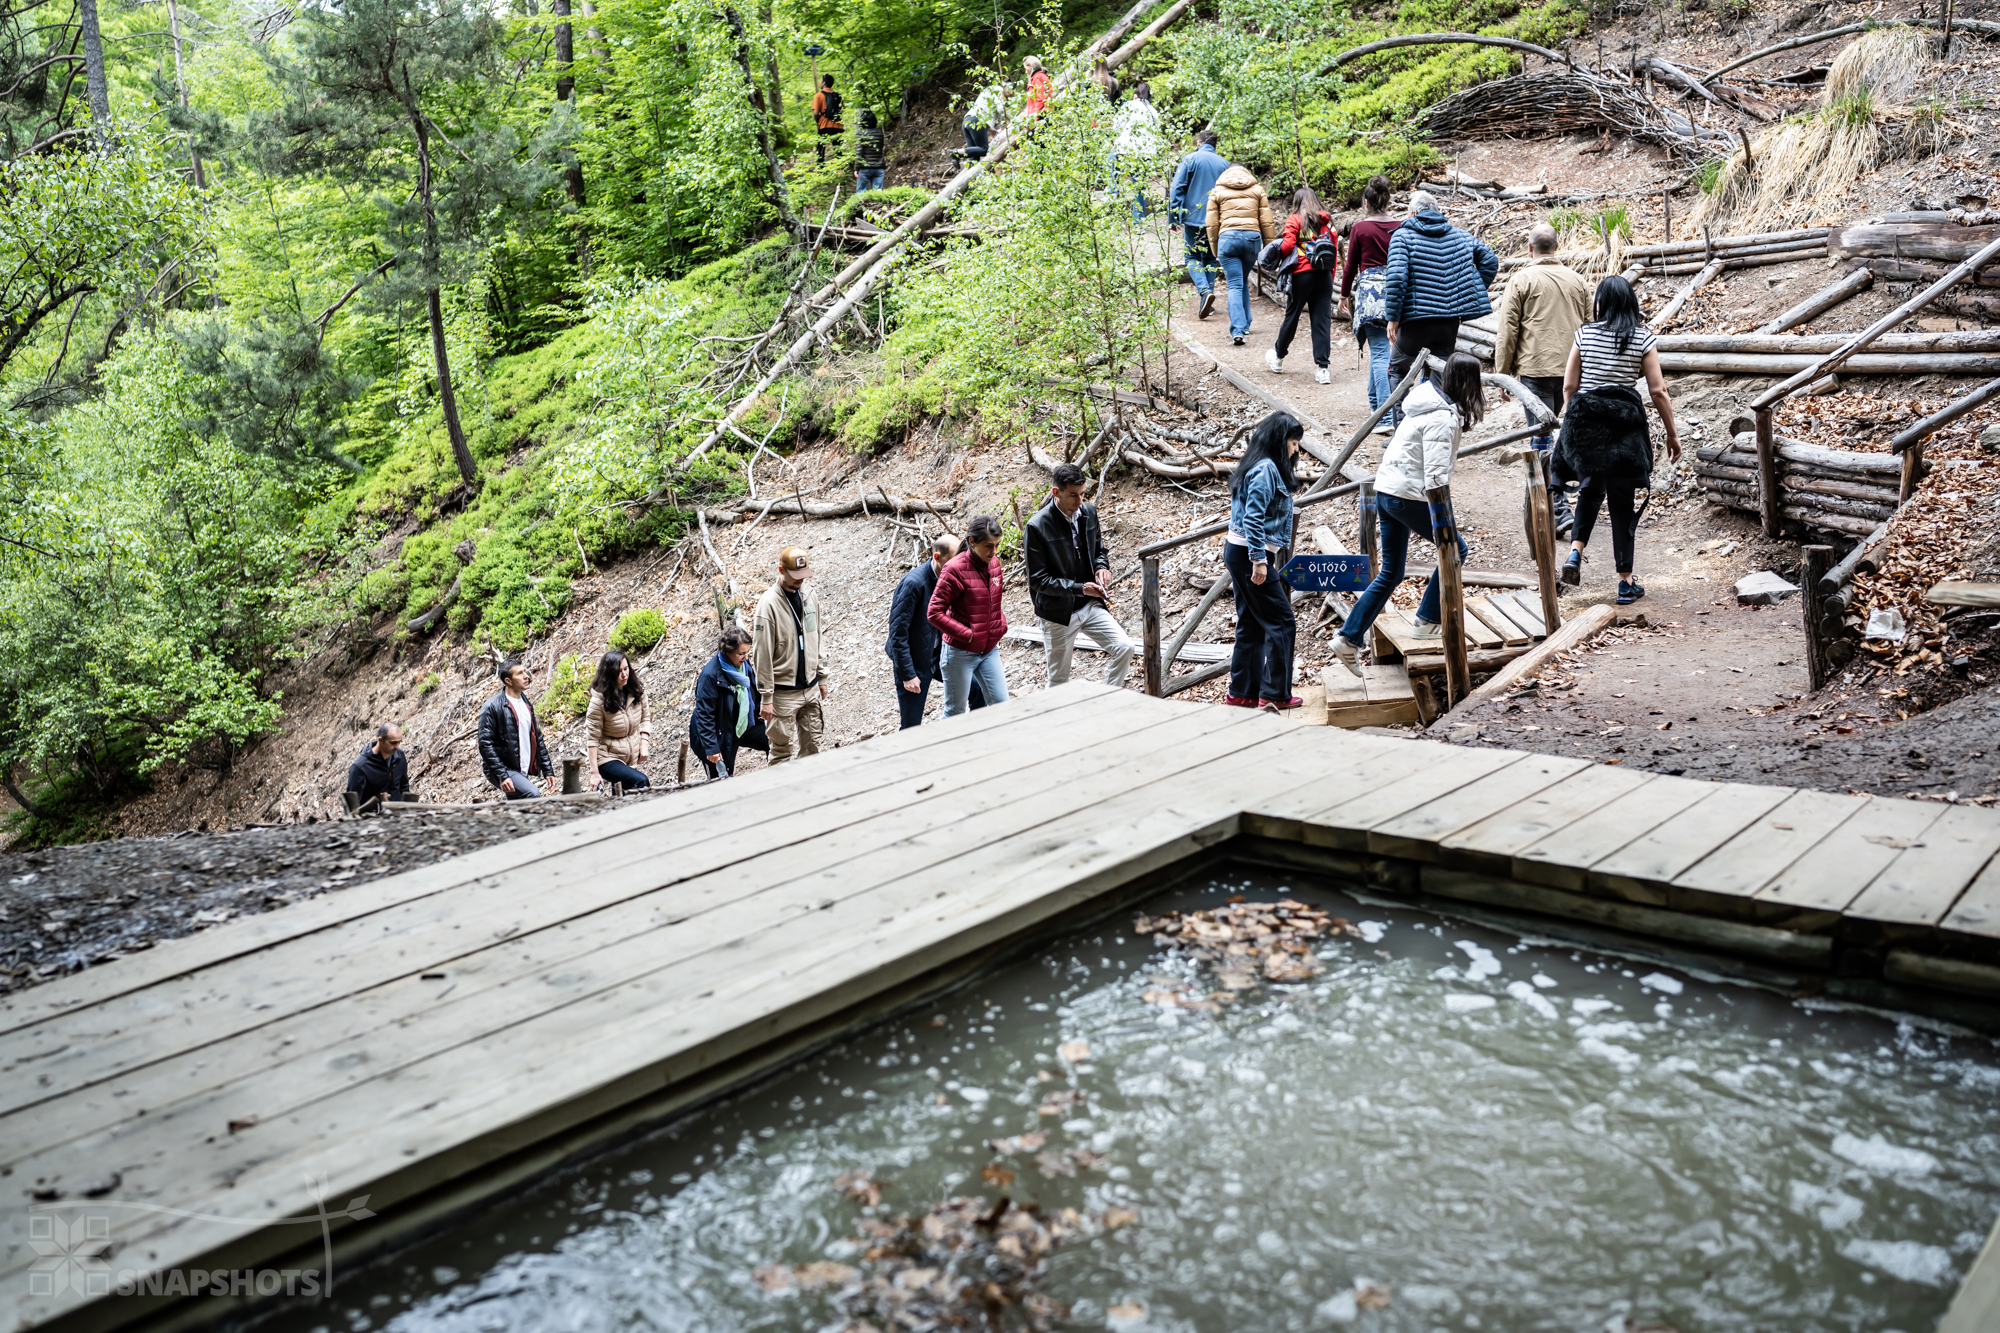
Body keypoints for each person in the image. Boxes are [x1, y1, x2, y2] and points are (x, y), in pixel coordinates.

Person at [1333, 353, 1486, 672]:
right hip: (1406, 496)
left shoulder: (1422, 405)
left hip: (1387, 492)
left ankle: (1348, 638)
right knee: (1456, 549)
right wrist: (1445, 519)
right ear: (1468, 383)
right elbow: (1436, 476)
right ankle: (1427, 620)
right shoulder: (1443, 417)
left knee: (1391, 572)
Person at [1554, 275, 1683, 606]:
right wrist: (1671, 433)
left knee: (1590, 489)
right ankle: (1625, 583)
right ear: (1631, 303)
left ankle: (1574, 553)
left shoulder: (1584, 334)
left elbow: (1569, 386)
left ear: (1601, 303)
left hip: (1588, 427)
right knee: (1622, 503)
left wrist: (1573, 420)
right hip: (1624, 429)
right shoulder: (1643, 338)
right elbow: (1658, 390)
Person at [1494, 222, 1591, 537]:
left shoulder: (1521, 280)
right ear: (1557, 247)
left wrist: (1503, 373)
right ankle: (1556, 500)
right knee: (1562, 437)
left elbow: (1508, 329)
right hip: (1571, 371)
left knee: (1541, 438)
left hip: (1534, 370)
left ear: (1530, 248)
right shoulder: (1578, 280)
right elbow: (1591, 327)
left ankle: (1554, 508)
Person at [1026, 462, 1134, 688]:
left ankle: (1106, 700)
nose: (1080, 501)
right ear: (1056, 492)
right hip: (1056, 613)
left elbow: (1099, 550)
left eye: (1083, 493)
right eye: (1074, 495)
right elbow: (1038, 580)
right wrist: (1080, 588)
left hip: (1090, 605)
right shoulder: (1036, 526)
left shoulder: (1089, 512)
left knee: (1125, 647)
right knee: (1059, 681)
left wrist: (1102, 567)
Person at [1382, 190, 1499, 395]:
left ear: (1413, 213)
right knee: (1441, 374)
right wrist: (1468, 291)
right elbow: (1490, 261)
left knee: (1398, 371)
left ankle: (1401, 416)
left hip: (1415, 322)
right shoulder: (1461, 236)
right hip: (1448, 322)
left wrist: (1393, 318)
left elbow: (1398, 278)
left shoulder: (1402, 236)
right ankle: (1439, 415)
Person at [1224, 412, 1303, 711]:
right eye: (1293, 442)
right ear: (1279, 440)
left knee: (1252, 623)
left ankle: (1243, 693)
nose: (1296, 449)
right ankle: (1274, 693)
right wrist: (1259, 560)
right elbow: (1253, 517)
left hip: (1240, 551)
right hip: (1250, 554)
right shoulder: (1265, 469)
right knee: (1283, 622)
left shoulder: (1257, 464)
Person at [1337, 174, 1401, 433]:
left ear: (1366, 202)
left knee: (1380, 353)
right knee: (1383, 352)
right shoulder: (1400, 226)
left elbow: (1350, 266)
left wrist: (1344, 295)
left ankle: (1384, 418)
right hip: (1396, 293)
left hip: (1371, 296)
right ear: (1387, 200)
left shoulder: (1360, 228)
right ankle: (1376, 407)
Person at [927, 514, 1009, 716]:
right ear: (972, 541)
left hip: (988, 649)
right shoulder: (953, 569)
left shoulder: (994, 563)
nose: (994, 552)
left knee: (1002, 704)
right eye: (988, 546)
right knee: (955, 711)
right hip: (959, 653)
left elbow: (993, 602)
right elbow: (934, 612)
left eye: (997, 545)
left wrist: (1000, 624)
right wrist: (966, 634)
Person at [751, 546, 827, 763]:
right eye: (795, 575)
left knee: (813, 747)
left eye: (803, 575)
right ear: (781, 570)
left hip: (811, 688)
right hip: (782, 695)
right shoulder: (768, 604)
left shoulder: (809, 594)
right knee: (781, 752)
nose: (800, 580)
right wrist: (766, 697)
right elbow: (762, 655)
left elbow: (817, 636)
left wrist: (822, 676)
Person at [886, 534, 958, 728]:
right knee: (911, 726)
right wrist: (908, 674)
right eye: (952, 562)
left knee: (977, 688)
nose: (957, 567)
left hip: (940, 656)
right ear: (937, 557)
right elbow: (897, 634)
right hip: (914, 662)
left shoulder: (950, 578)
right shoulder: (913, 583)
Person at [1267, 185, 1337, 385]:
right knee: (1322, 321)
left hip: (1302, 275)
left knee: (1292, 316)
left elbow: (1288, 245)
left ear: (1297, 202)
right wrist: (1330, 277)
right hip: (1324, 276)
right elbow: (1333, 252)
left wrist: (1278, 251)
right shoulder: (1327, 222)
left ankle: (1278, 358)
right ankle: (1323, 370)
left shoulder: (1295, 219)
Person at [1206, 162, 1278, 347]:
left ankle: (1238, 330)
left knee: (1235, 284)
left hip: (1228, 240)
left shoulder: (1217, 191)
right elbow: (1267, 222)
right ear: (1246, 173)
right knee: (1242, 280)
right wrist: (1269, 248)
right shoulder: (1257, 190)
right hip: (1252, 240)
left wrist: (1215, 249)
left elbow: (1212, 224)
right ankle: (1246, 323)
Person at [690, 626, 770, 778]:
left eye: (747, 652)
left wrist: (759, 709)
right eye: (741, 654)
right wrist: (711, 747)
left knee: (773, 739)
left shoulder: (742, 665)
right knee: (723, 777)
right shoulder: (710, 676)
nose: (745, 657)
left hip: (743, 723)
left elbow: (752, 691)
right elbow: (704, 715)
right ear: (727, 652)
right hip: (719, 732)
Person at [1168, 130, 1229, 320]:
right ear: (1215, 146)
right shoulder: (1225, 164)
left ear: (1198, 143)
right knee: (1210, 259)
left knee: (1192, 257)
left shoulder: (1190, 159)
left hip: (1194, 218)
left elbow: (1177, 188)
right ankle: (1207, 302)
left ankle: (1204, 292)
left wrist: (1173, 217)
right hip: (1216, 220)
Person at [477, 659, 553, 800]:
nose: (526, 676)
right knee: (532, 793)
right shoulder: (492, 707)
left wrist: (547, 769)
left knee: (518, 806)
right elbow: (485, 744)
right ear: (508, 681)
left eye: (524, 671)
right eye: (520, 673)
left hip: (519, 767)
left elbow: (536, 736)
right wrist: (502, 775)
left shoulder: (525, 703)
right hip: (502, 768)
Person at [583, 649, 651, 791]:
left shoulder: (636, 690)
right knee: (641, 782)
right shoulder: (599, 701)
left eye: (626, 669)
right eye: (618, 672)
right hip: (606, 757)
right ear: (609, 674)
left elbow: (645, 718)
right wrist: (594, 773)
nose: (624, 674)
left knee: (624, 795)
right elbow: (592, 739)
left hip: (628, 757)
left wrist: (644, 742)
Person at [1110, 82, 1161, 218]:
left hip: (1126, 149)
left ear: (1135, 95)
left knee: (1111, 158)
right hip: (1145, 152)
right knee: (1139, 186)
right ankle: (1138, 219)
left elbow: (1116, 125)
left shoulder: (1129, 105)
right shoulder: (1153, 111)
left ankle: (1113, 189)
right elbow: (1157, 133)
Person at [345, 723, 410, 810]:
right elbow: (352, 805)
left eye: (399, 742)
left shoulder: (400, 756)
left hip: (399, 814)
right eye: (393, 743)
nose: (397, 747)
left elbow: (404, 786)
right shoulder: (360, 767)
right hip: (374, 817)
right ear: (380, 740)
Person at [962, 81, 1006, 160]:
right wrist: (1013, 119)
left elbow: (988, 109)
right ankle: (955, 152)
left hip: (967, 119)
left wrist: (992, 129)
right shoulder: (999, 89)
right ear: (1007, 87)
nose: (1010, 95)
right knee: (984, 149)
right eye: (1011, 92)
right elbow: (1001, 109)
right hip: (977, 120)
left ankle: (959, 158)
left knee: (974, 156)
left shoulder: (989, 90)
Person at [812, 74, 844, 163]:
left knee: (820, 150)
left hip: (824, 125)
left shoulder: (818, 95)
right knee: (838, 150)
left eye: (821, 80)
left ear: (824, 83)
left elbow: (816, 113)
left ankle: (821, 168)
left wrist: (817, 120)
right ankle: (841, 168)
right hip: (838, 126)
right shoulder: (838, 96)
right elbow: (842, 111)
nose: (820, 82)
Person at [854, 108, 886, 193]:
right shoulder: (879, 133)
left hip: (864, 168)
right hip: (879, 167)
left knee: (861, 193)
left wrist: (856, 168)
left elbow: (859, 152)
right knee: (877, 194)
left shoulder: (860, 133)